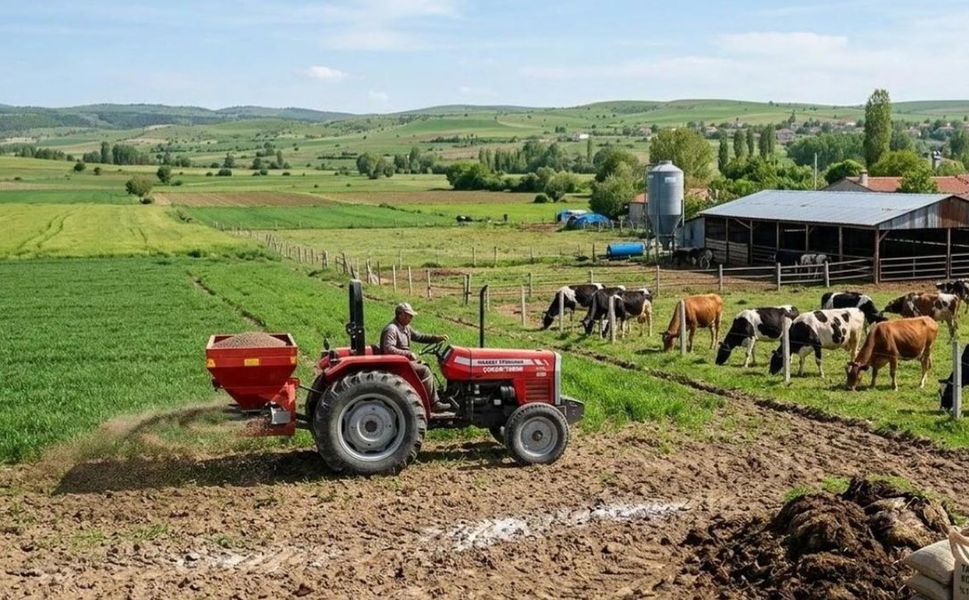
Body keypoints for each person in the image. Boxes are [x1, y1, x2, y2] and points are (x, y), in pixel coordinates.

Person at [380, 302, 450, 412]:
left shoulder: (405, 328)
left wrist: (436, 338)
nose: (411, 318)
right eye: (408, 315)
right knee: (425, 370)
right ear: (400, 315)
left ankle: (432, 396)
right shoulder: (392, 329)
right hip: (396, 365)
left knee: (425, 366)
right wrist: (408, 354)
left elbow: (419, 337)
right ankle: (433, 404)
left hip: (403, 362)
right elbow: (388, 349)